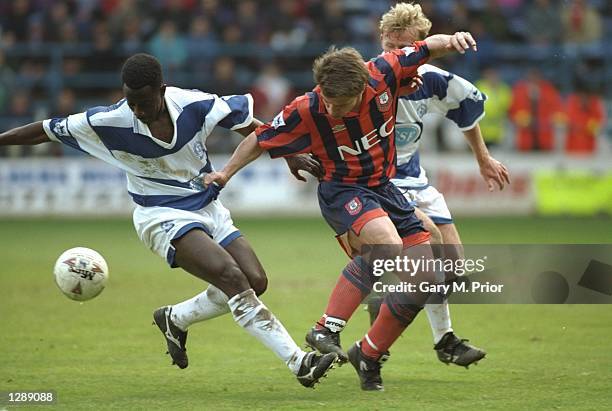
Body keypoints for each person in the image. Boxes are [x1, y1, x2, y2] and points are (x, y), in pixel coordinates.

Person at [0, 53, 337, 388]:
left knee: (255, 280)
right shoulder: (108, 120)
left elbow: (251, 126)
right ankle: (299, 362)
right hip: (160, 215)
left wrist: (289, 154)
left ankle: (174, 318)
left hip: (207, 207)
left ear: (162, 89)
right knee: (231, 277)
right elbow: (43, 131)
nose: (137, 110)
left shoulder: (194, 104)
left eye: (144, 102)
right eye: (131, 102)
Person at [205, 31, 479, 391]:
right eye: (329, 102)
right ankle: (325, 328)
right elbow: (259, 137)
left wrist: (455, 38)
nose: (333, 109)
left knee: (426, 278)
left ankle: (369, 353)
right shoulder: (308, 107)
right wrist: (225, 173)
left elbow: (430, 46)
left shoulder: (384, 71)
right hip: (342, 190)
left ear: (364, 88)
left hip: (385, 189)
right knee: (386, 245)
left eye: (343, 104)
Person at [363, 1, 509, 367]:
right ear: (382, 40)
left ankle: (399, 319)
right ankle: (423, 341)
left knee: (453, 272)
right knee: (425, 258)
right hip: (378, 185)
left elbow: (465, 108)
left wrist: (483, 159)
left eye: (406, 48)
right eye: (391, 48)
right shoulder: (365, 79)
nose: (398, 55)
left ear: (419, 44)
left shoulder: (430, 78)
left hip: (416, 181)